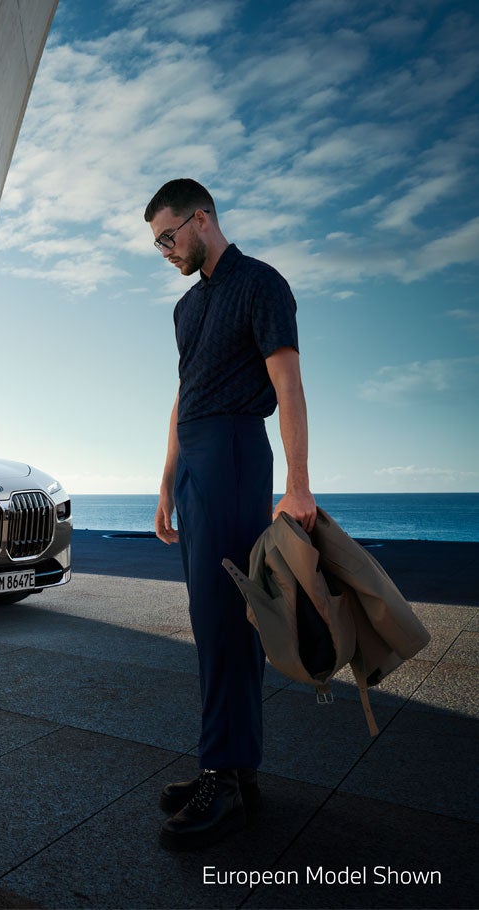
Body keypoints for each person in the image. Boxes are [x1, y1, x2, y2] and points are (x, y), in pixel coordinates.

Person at [145, 178, 316, 852]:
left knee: (229, 618)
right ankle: (233, 771)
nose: (164, 250)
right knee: (212, 621)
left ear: (202, 218)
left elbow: (288, 382)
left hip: (237, 452)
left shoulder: (261, 284)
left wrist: (297, 485)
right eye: (156, 243)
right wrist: (166, 483)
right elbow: (182, 395)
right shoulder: (186, 308)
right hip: (195, 460)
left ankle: (224, 776)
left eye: (168, 236)